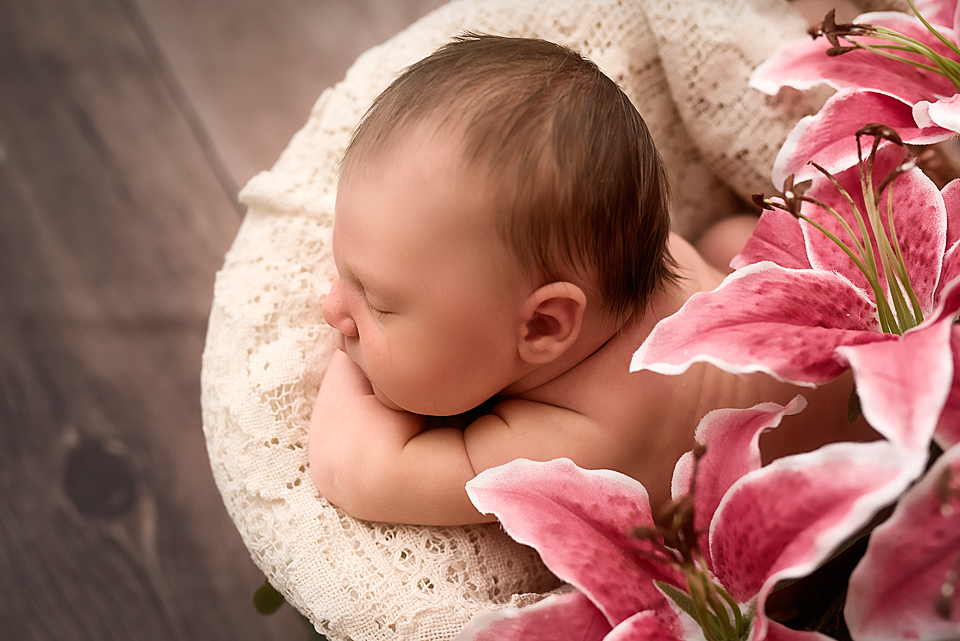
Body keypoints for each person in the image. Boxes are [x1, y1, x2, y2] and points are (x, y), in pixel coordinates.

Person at [308, 34, 876, 526]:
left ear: (543, 324)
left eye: (378, 304)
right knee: (731, 242)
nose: (332, 308)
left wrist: (344, 358)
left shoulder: (580, 442)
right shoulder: (614, 254)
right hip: (793, 329)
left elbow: (355, 472)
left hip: (861, 448)